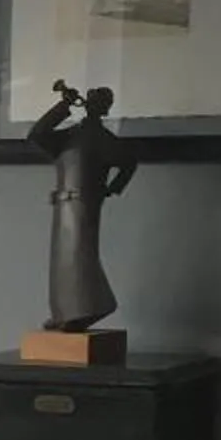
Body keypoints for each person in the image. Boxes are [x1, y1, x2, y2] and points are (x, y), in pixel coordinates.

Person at [27, 81, 136, 332]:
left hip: (84, 204)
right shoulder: (70, 136)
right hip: (63, 206)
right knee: (62, 261)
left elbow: (129, 162)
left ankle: (87, 308)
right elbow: (36, 136)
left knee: (80, 257)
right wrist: (63, 105)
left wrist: (112, 189)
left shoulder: (102, 139)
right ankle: (64, 312)